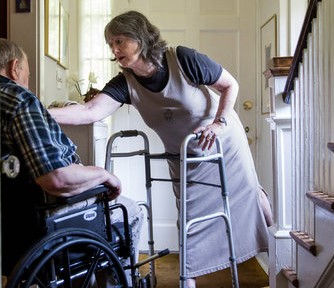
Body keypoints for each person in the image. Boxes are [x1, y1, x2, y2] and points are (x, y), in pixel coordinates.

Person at [48, 11, 273, 287]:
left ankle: (277, 258)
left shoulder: (183, 59)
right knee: (188, 218)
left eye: (120, 41)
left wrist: (218, 124)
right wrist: (39, 112)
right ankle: (187, 280)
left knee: (250, 196)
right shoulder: (126, 83)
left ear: (140, 38)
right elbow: (90, 112)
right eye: (110, 44)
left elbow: (230, 85)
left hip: (223, 141)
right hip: (184, 154)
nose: (115, 49)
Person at [0, 38, 142, 284]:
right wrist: (103, 174)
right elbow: (56, 178)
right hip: (41, 214)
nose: (27, 82)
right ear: (14, 68)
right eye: (27, 74)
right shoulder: (19, 99)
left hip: (4, 219)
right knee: (131, 210)